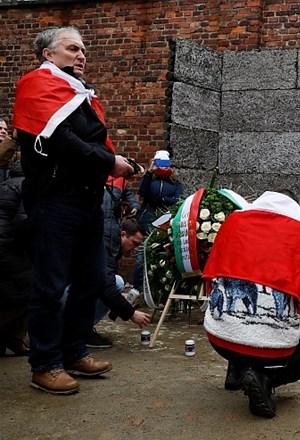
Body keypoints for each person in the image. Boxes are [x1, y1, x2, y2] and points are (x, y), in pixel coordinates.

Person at [12, 27, 137, 395]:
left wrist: (117, 161)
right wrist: (108, 161)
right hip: (54, 199)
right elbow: (61, 141)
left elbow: (91, 142)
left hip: (86, 199)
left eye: (83, 49)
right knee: (50, 285)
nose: (81, 55)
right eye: (72, 49)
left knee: (91, 279)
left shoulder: (79, 95)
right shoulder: (37, 84)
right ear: (48, 54)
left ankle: (74, 350)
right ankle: (46, 364)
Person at [202, 190, 300, 418]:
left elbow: (213, 268)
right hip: (275, 349)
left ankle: (236, 371)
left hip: (218, 337)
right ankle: (263, 379)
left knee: (238, 314)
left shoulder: (234, 221)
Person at [87, 219, 151, 348]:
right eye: (134, 243)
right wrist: (131, 313)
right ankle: (76, 330)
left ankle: (82, 329)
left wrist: (119, 296)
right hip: (64, 291)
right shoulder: (106, 246)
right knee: (115, 284)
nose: (136, 249)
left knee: (117, 284)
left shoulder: (112, 246)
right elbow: (105, 286)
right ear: (123, 235)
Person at [133, 150, 183, 289]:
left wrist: (161, 199)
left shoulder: (175, 183)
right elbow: (142, 192)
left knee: (163, 257)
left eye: (166, 163)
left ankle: (160, 290)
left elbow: (178, 199)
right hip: (146, 221)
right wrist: (149, 172)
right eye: (161, 163)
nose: (164, 167)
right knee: (141, 256)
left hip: (165, 222)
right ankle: (138, 288)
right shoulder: (150, 179)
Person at [0, 160, 31, 356]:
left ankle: (13, 338)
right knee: (32, 289)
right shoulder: (27, 186)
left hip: (7, 247)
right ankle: (13, 336)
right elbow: (24, 222)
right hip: (7, 248)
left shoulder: (5, 184)